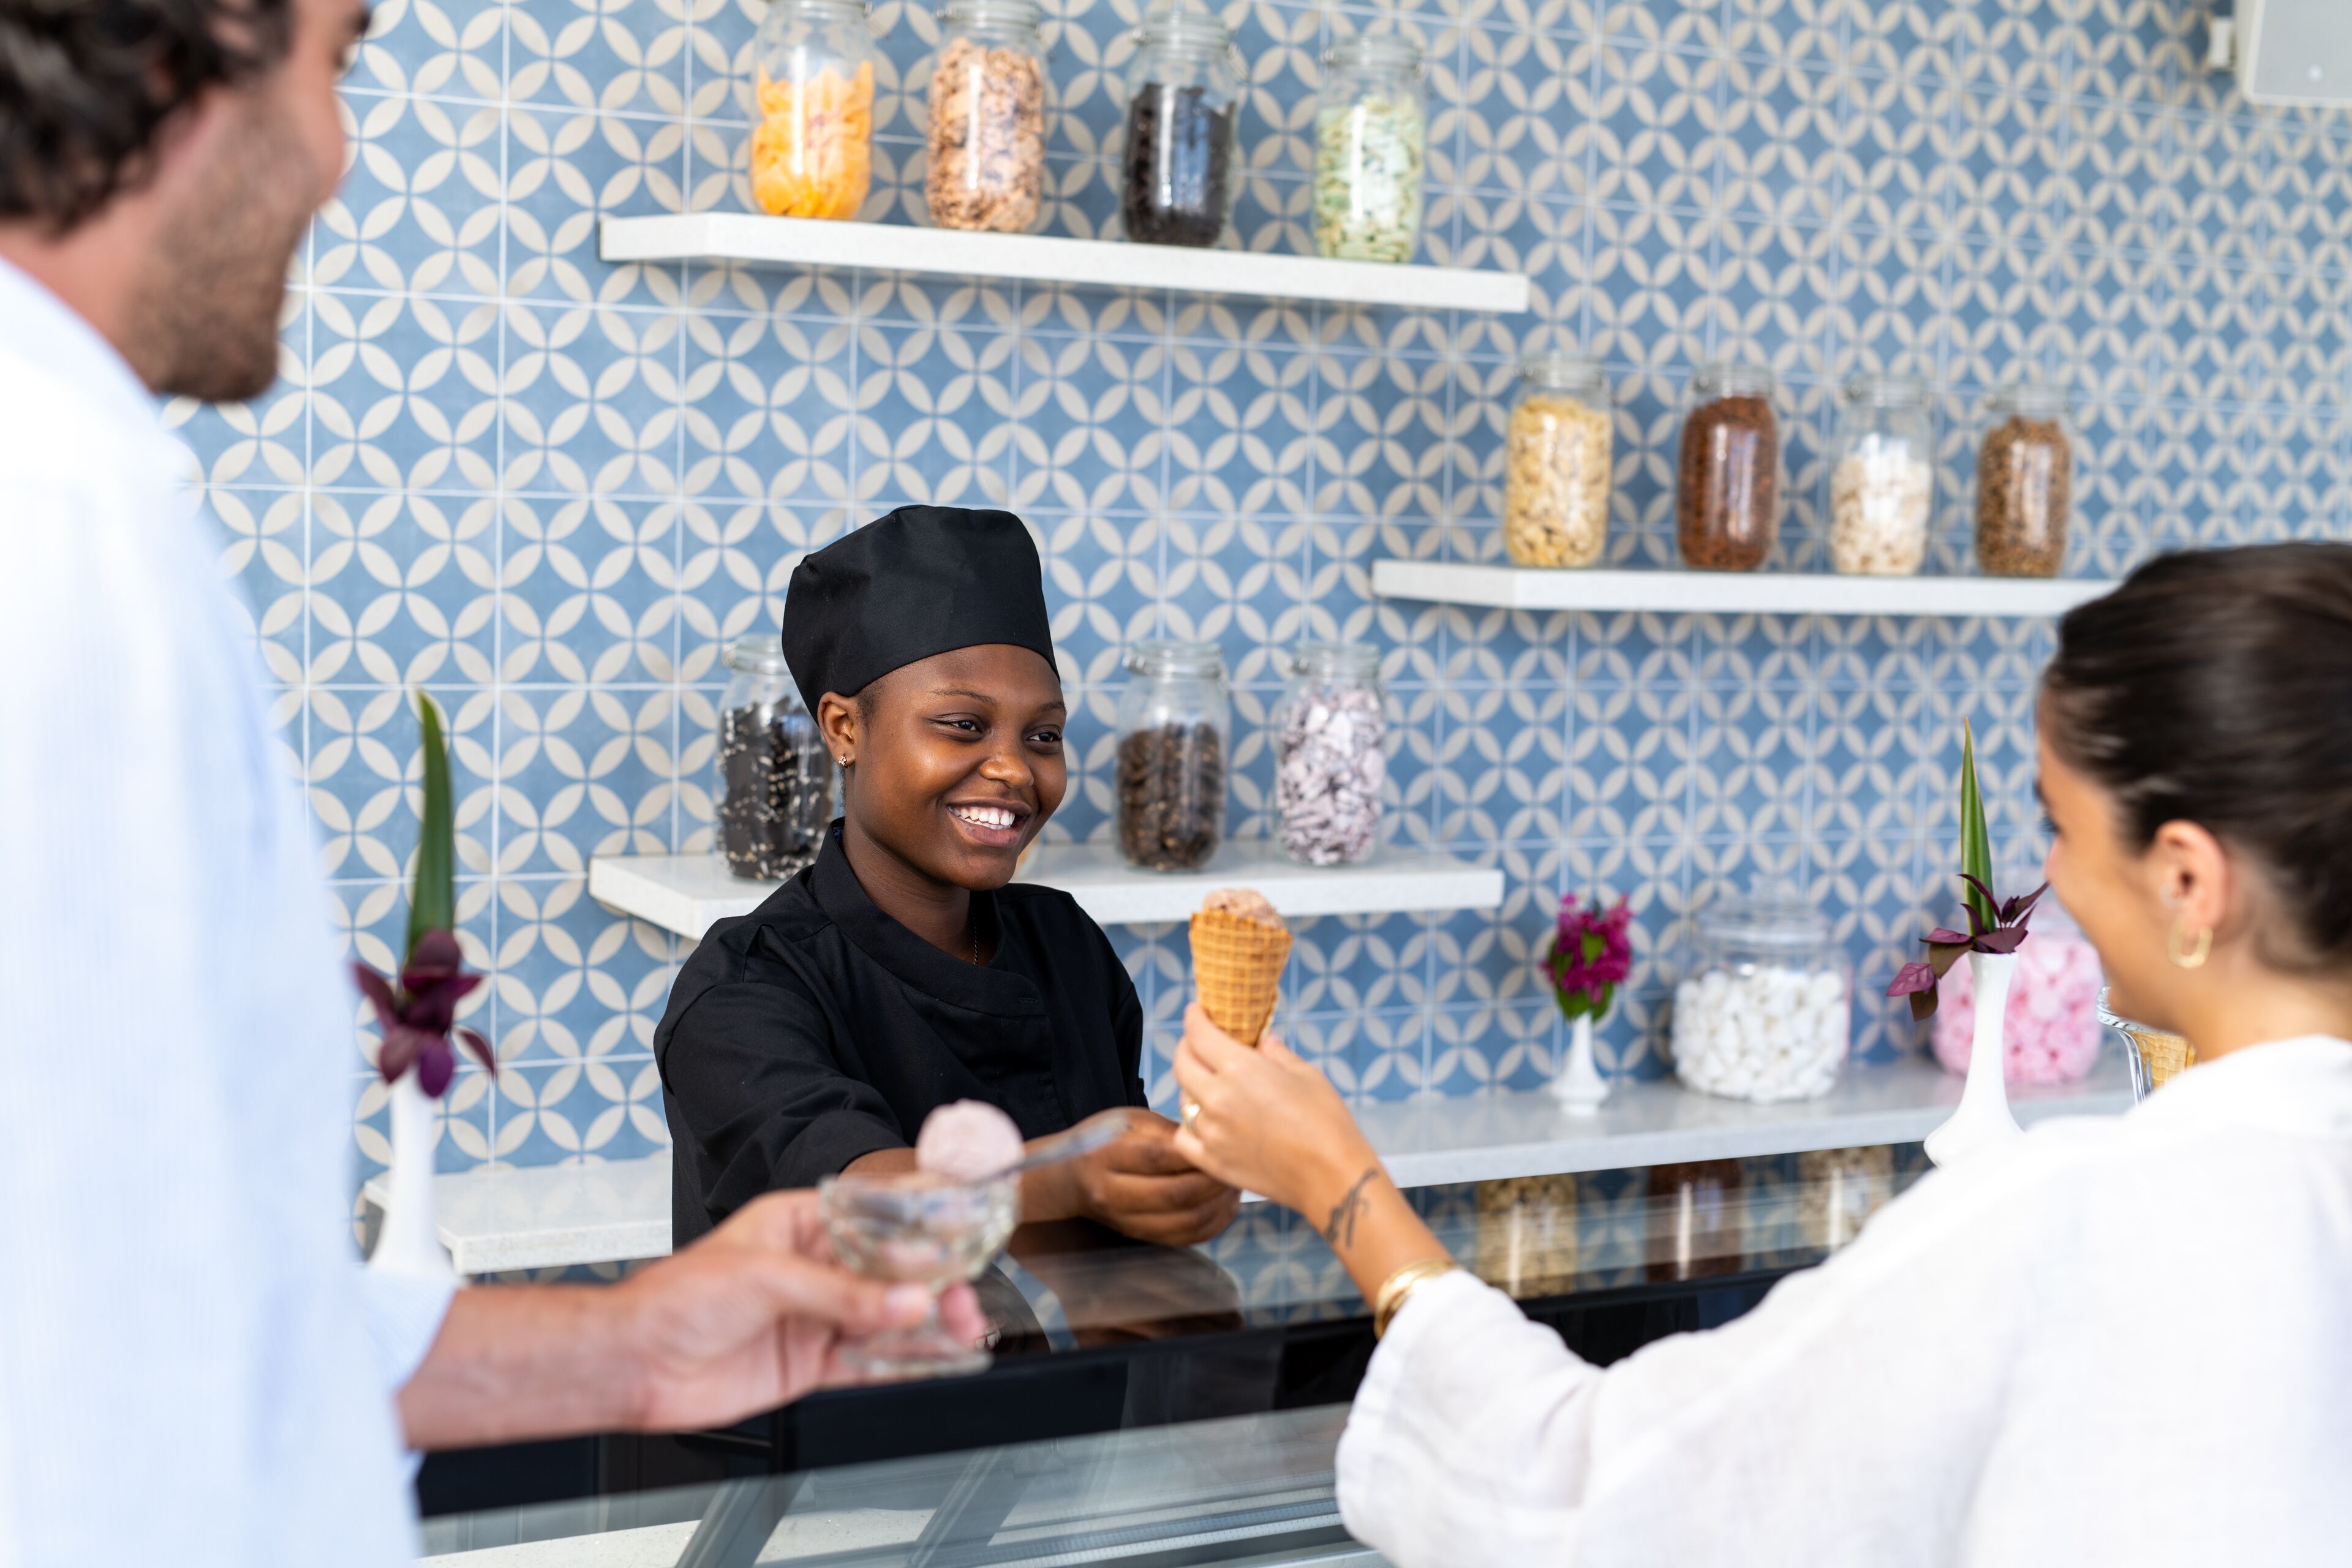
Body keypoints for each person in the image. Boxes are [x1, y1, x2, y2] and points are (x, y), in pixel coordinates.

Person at [0, 1, 981, 1561]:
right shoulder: (56, 538)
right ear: (183, 49)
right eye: (334, 65)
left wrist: (633, 1345)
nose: (337, 158)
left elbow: (185, 1308)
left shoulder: (89, 503)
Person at [1169, 543, 2352, 1566]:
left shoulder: (2073, 1219)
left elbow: (1588, 1506)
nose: (2049, 873)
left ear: (2187, 879)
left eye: (2060, 823)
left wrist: (1339, 1182)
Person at [658, 505, 1238, 1249]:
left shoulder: (1065, 944)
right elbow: (853, 1200)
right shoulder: (743, 987)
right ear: (844, 729)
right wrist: (1063, 1176)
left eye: (1044, 735)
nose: (1015, 769)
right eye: (964, 725)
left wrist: (1172, 1183)